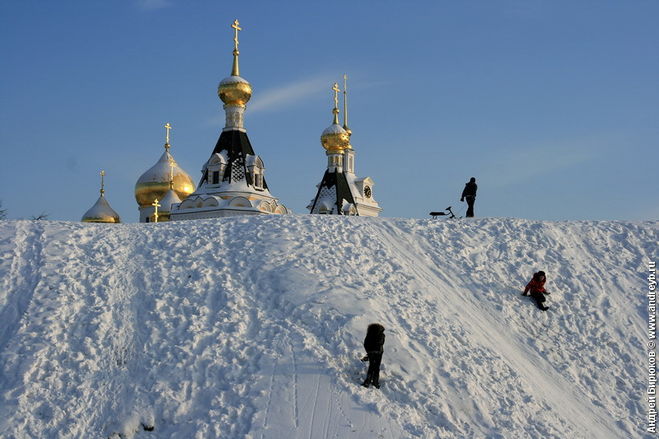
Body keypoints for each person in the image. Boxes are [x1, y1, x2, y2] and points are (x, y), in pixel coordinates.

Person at [362, 323, 385, 388]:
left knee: (371, 366)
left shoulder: (369, 334)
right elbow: (381, 343)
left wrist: (368, 352)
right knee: (377, 367)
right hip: (379, 353)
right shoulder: (382, 334)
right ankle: (375, 382)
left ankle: (367, 382)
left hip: (371, 352)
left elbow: (365, 343)